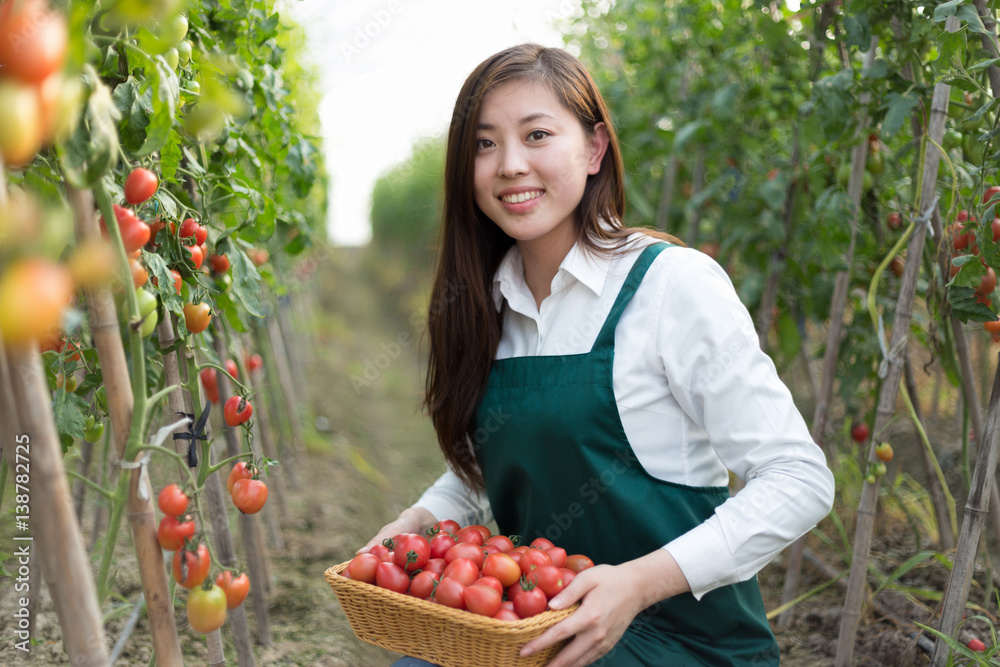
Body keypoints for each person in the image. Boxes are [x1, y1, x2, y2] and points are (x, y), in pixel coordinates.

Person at [360, 43, 835, 667]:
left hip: (687, 645)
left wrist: (637, 583)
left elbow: (800, 480)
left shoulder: (670, 286)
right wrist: (416, 520)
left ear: (593, 149)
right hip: (542, 630)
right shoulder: (485, 306)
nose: (509, 165)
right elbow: (486, 467)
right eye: (484, 144)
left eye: (537, 135)